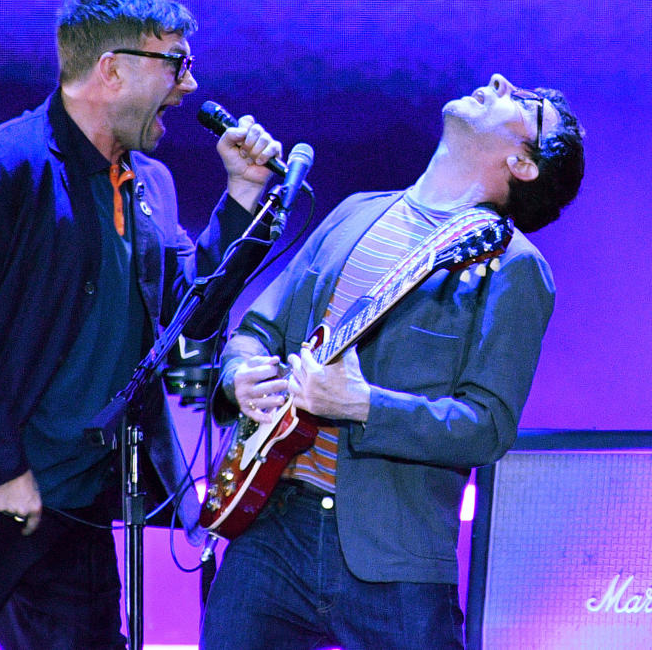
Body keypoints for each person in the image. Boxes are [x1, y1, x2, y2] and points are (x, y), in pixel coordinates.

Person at [0, 0, 282, 649]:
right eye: (176, 63)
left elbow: (187, 316)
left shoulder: (152, 185)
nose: (190, 86)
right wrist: (3, 468)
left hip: (77, 501)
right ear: (112, 70)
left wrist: (239, 198)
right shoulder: (4, 164)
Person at [200, 73, 585, 649]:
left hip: (396, 556)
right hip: (273, 528)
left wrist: (362, 404)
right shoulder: (355, 212)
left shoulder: (513, 267)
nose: (499, 81)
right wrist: (240, 377)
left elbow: (488, 427)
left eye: (523, 104)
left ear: (524, 165)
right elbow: (255, 330)